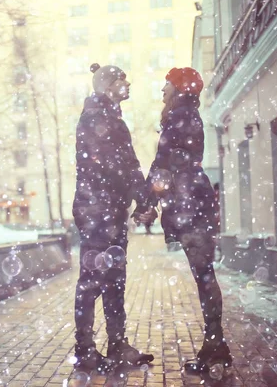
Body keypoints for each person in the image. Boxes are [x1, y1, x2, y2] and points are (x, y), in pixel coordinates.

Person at [135, 67, 231, 373]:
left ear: (178, 90)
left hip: (190, 205)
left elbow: (162, 165)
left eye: (167, 87)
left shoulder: (178, 118)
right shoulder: (189, 116)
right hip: (196, 202)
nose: (162, 92)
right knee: (205, 275)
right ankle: (215, 345)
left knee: (204, 276)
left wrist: (146, 204)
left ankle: (215, 347)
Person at [72, 63, 154, 373]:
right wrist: (143, 198)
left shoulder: (106, 117)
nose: (128, 82)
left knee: (112, 281)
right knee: (94, 282)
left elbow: (125, 166)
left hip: (106, 211)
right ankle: (86, 350)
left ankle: (115, 345)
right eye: (123, 79)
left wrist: (141, 198)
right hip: (98, 213)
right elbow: (121, 166)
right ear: (108, 85)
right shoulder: (99, 118)